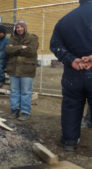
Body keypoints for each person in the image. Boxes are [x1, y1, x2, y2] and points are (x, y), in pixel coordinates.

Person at [50, 0, 92, 151]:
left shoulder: (65, 20)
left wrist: (71, 59)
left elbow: (55, 44)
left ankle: (69, 141)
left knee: (71, 106)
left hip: (73, 72)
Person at [5, 20, 39, 121]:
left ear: (25, 28)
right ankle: (14, 110)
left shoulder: (32, 38)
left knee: (25, 92)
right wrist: (21, 47)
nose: (19, 29)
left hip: (27, 69)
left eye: (21, 27)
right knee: (14, 91)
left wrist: (14, 49)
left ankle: (25, 112)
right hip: (14, 69)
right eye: (17, 27)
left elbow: (31, 51)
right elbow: (8, 50)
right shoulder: (12, 38)